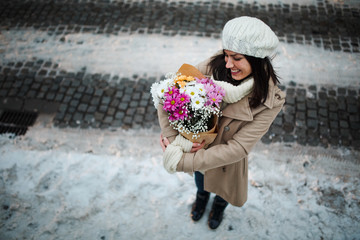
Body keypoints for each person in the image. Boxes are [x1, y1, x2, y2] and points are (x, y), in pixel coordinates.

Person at [157, 16, 286, 230]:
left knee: (223, 190)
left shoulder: (270, 101)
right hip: (198, 154)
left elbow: (239, 147)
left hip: (226, 162)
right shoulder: (213, 66)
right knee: (202, 183)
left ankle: (218, 206)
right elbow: (168, 95)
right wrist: (174, 142)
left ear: (256, 58)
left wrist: (182, 162)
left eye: (236, 58)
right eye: (226, 55)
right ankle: (202, 198)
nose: (227, 64)